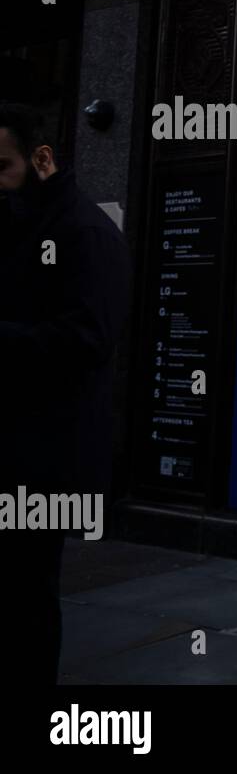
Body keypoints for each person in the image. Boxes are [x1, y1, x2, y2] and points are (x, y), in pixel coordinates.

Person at [0, 101, 131, 685]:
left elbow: (90, 338)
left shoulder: (84, 230)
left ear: (42, 158)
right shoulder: (20, 218)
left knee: (27, 593)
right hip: (17, 442)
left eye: (2, 166)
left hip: (45, 455)